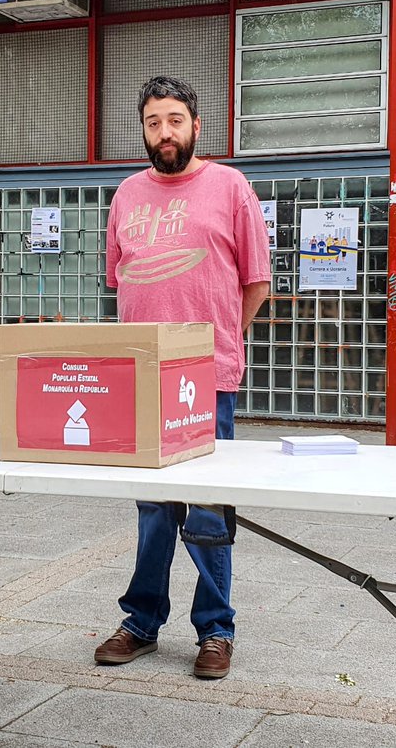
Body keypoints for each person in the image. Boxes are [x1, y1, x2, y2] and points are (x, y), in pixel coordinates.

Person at [94, 75, 272, 679]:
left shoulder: (230, 187)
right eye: (152, 122)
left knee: (207, 510)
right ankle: (141, 621)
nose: (164, 132)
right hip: (142, 375)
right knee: (152, 509)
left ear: (196, 124)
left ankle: (216, 630)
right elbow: (121, 282)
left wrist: (220, 340)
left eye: (174, 120)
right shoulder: (126, 194)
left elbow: (257, 281)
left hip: (206, 378)